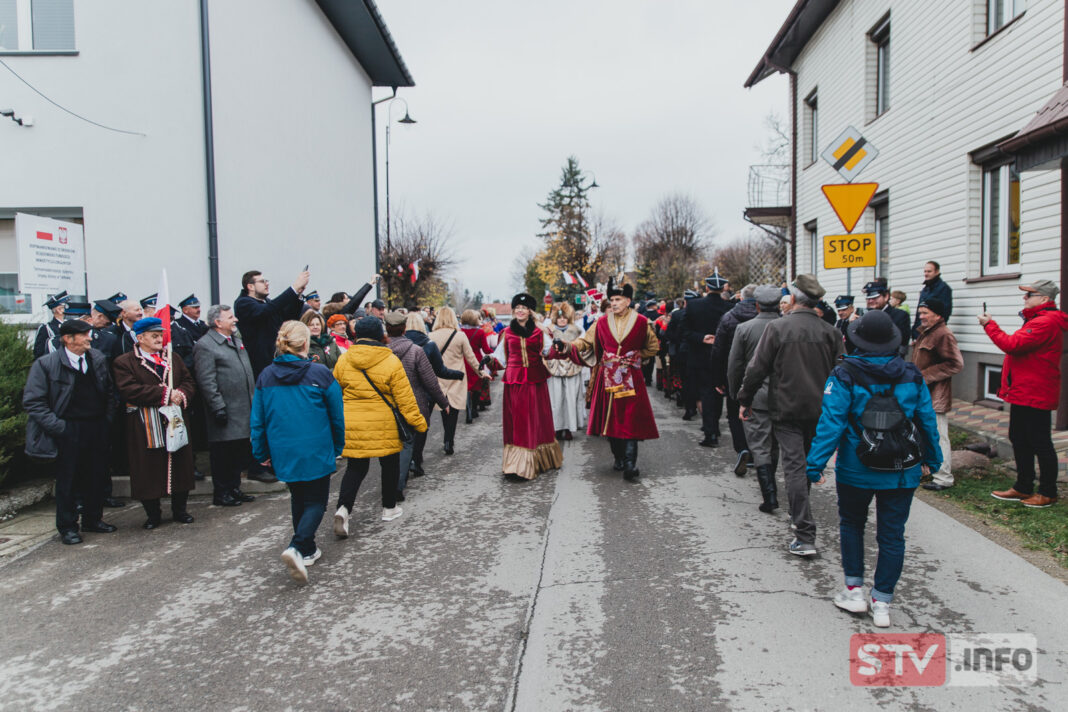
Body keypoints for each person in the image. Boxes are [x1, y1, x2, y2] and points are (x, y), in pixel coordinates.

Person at [806, 309, 942, 628]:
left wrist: (815, 464)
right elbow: (926, 420)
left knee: (852, 524)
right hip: (902, 469)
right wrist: (932, 460)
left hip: (856, 467)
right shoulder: (912, 374)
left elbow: (832, 423)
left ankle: (854, 591)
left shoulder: (844, 375)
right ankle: (882, 601)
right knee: (892, 536)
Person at [738, 274, 844, 556]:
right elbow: (842, 375)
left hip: (785, 408)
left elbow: (756, 368)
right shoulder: (830, 332)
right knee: (806, 465)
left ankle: (804, 531)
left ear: (794, 298)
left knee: (795, 467)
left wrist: (744, 399)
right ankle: (800, 515)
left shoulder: (777, 328)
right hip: (819, 409)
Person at [250, 320, 345, 584]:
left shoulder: (266, 376)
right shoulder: (320, 374)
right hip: (315, 446)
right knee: (316, 501)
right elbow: (337, 415)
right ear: (305, 344)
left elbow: (258, 419)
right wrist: (338, 445)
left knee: (298, 498)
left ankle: (307, 549)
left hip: (283, 448)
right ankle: (297, 545)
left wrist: (261, 451)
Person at [551, 279, 658, 481]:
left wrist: (637, 356)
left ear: (628, 300)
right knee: (611, 418)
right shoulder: (601, 323)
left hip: (631, 377)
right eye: (612, 299)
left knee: (631, 419)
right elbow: (584, 343)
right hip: (608, 376)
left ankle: (629, 464)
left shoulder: (642, 322)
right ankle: (618, 457)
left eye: (618, 299)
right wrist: (566, 346)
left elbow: (652, 347)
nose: (614, 303)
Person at [23, 320, 118, 544]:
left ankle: (93, 520)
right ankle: (67, 527)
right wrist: (60, 427)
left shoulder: (96, 358)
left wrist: (107, 420)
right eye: (84, 334)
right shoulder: (46, 364)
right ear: (68, 338)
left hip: (96, 426)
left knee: (96, 476)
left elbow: (109, 391)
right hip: (68, 428)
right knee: (69, 480)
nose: (89, 338)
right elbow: (34, 402)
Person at [332, 316, 428, 533]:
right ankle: (389, 507)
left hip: (354, 422)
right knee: (390, 464)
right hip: (384, 423)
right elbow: (405, 398)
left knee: (355, 468)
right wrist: (419, 424)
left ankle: (344, 509)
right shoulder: (390, 361)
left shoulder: (344, 360)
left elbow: (335, 393)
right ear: (380, 335)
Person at [982, 280, 1068, 508]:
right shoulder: (1037, 320)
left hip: (1035, 391)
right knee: (1019, 438)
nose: (1025, 298)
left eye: (1030, 294)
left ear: (1044, 299)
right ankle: (1023, 486)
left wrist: (990, 325)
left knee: (1040, 442)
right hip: (1024, 391)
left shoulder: (1045, 322)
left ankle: (1048, 492)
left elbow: (1012, 345)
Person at [112, 317, 197, 529]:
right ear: (140, 338)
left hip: (174, 420)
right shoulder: (125, 362)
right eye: (154, 336)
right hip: (145, 424)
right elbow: (129, 389)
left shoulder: (172, 358)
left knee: (179, 463)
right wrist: (165, 393)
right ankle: (153, 514)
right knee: (148, 467)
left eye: (160, 335)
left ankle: (180, 510)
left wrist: (181, 394)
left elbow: (188, 381)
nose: (160, 339)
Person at [480, 294, 563, 481]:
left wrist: (558, 347)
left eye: (524, 308)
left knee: (538, 419)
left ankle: (541, 460)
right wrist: (489, 360)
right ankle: (517, 465)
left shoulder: (539, 332)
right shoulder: (508, 332)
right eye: (517, 307)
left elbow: (548, 352)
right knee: (518, 421)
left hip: (536, 380)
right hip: (515, 382)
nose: (520, 310)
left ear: (530, 311)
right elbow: (500, 357)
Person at [193, 304, 257, 507]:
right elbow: (206, 380)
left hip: (243, 407)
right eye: (230, 317)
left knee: (238, 451)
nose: (235, 320)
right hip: (225, 409)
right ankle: (222, 492)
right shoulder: (206, 345)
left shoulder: (236, 340)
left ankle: (234, 488)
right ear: (218, 322)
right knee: (223, 455)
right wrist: (217, 406)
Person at [728, 286, 781, 512]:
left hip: (756, 393)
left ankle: (769, 495)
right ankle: (772, 486)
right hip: (784, 393)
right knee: (776, 443)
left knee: (759, 444)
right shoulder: (786, 326)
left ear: (756, 305)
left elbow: (736, 365)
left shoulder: (744, 328)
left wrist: (736, 394)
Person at [385, 312, 453, 490]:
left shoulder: (382, 351)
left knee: (394, 441)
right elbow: (430, 380)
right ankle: (404, 477)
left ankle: (395, 478)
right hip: (415, 400)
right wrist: (443, 402)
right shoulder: (416, 351)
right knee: (412, 438)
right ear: (404, 329)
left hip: (387, 403)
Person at [911, 298, 963, 491]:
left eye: (926, 313)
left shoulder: (943, 334)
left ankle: (943, 478)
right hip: (922, 395)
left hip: (936, 396)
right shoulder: (926, 333)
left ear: (938, 315)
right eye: (921, 312)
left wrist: (924, 376)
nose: (921, 316)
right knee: (921, 434)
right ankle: (927, 470)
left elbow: (955, 364)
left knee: (939, 436)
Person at [711, 284, 757, 475]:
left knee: (734, 413)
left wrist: (718, 378)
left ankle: (742, 448)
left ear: (741, 297)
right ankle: (757, 450)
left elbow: (719, 350)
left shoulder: (729, 317)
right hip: (762, 375)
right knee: (759, 413)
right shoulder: (772, 319)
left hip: (735, 374)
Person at [682, 269, 731, 445]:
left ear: (706, 286)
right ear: (723, 287)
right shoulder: (729, 307)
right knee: (718, 392)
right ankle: (714, 426)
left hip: (701, 355)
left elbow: (685, 332)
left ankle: (710, 431)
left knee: (706, 393)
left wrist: (701, 338)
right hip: (723, 356)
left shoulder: (694, 306)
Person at [234, 268, 309, 377]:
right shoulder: (243, 303)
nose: (266, 284)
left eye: (266, 281)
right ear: (250, 286)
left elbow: (287, 317)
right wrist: (293, 288)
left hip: (276, 358)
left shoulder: (267, 302)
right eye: (262, 281)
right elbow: (266, 310)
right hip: (259, 362)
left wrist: (297, 294)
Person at [429, 307, 483, 455]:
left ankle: (447, 439)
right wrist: (481, 372)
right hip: (456, 376)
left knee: (443, 409)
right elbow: (470, 357)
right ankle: (449, 441)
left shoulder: (431, 336)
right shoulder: (460, 336)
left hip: (438, 376)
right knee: (453, 411)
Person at [545, 302, 587, 441]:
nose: (562, 320)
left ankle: (569, 427)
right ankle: (557, 427)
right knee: (555, 399)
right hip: (554, 368)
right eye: (559, 317)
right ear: (555, 318)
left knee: (571, 398)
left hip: (572, 367)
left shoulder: (577, 330)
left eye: (564, 318)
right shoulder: (547, 331)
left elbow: (584, 347)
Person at [862, 278, 910, 356]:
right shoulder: (865, 316)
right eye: (868, 298)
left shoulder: (900, 315)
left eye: (875, 297)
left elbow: (902, 342)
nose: (870, 301)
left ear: (886, 297)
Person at [460, 309, 490, 424]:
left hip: (463, 360)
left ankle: (467, 407)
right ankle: (474, 409)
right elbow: (486, 349)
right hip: (476, 360)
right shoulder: (480, 332)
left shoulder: (459, 331)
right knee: (477, 385)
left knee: (466, 385)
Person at [914, 260, 953, 336]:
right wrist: (915, 332)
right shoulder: (925, 290)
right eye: (925, 271)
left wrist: (935, 331)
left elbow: (945, 313)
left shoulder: (943, 289)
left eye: (929, 271)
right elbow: (919, 312)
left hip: (933, 333)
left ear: (937, 272)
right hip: (921, 332)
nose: (926, 274)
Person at [33, 291, 69, 359]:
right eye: (65, 307)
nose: (68, 309)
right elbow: (39, 353)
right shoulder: (46, 328)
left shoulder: (70, 324)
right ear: (59, 310)